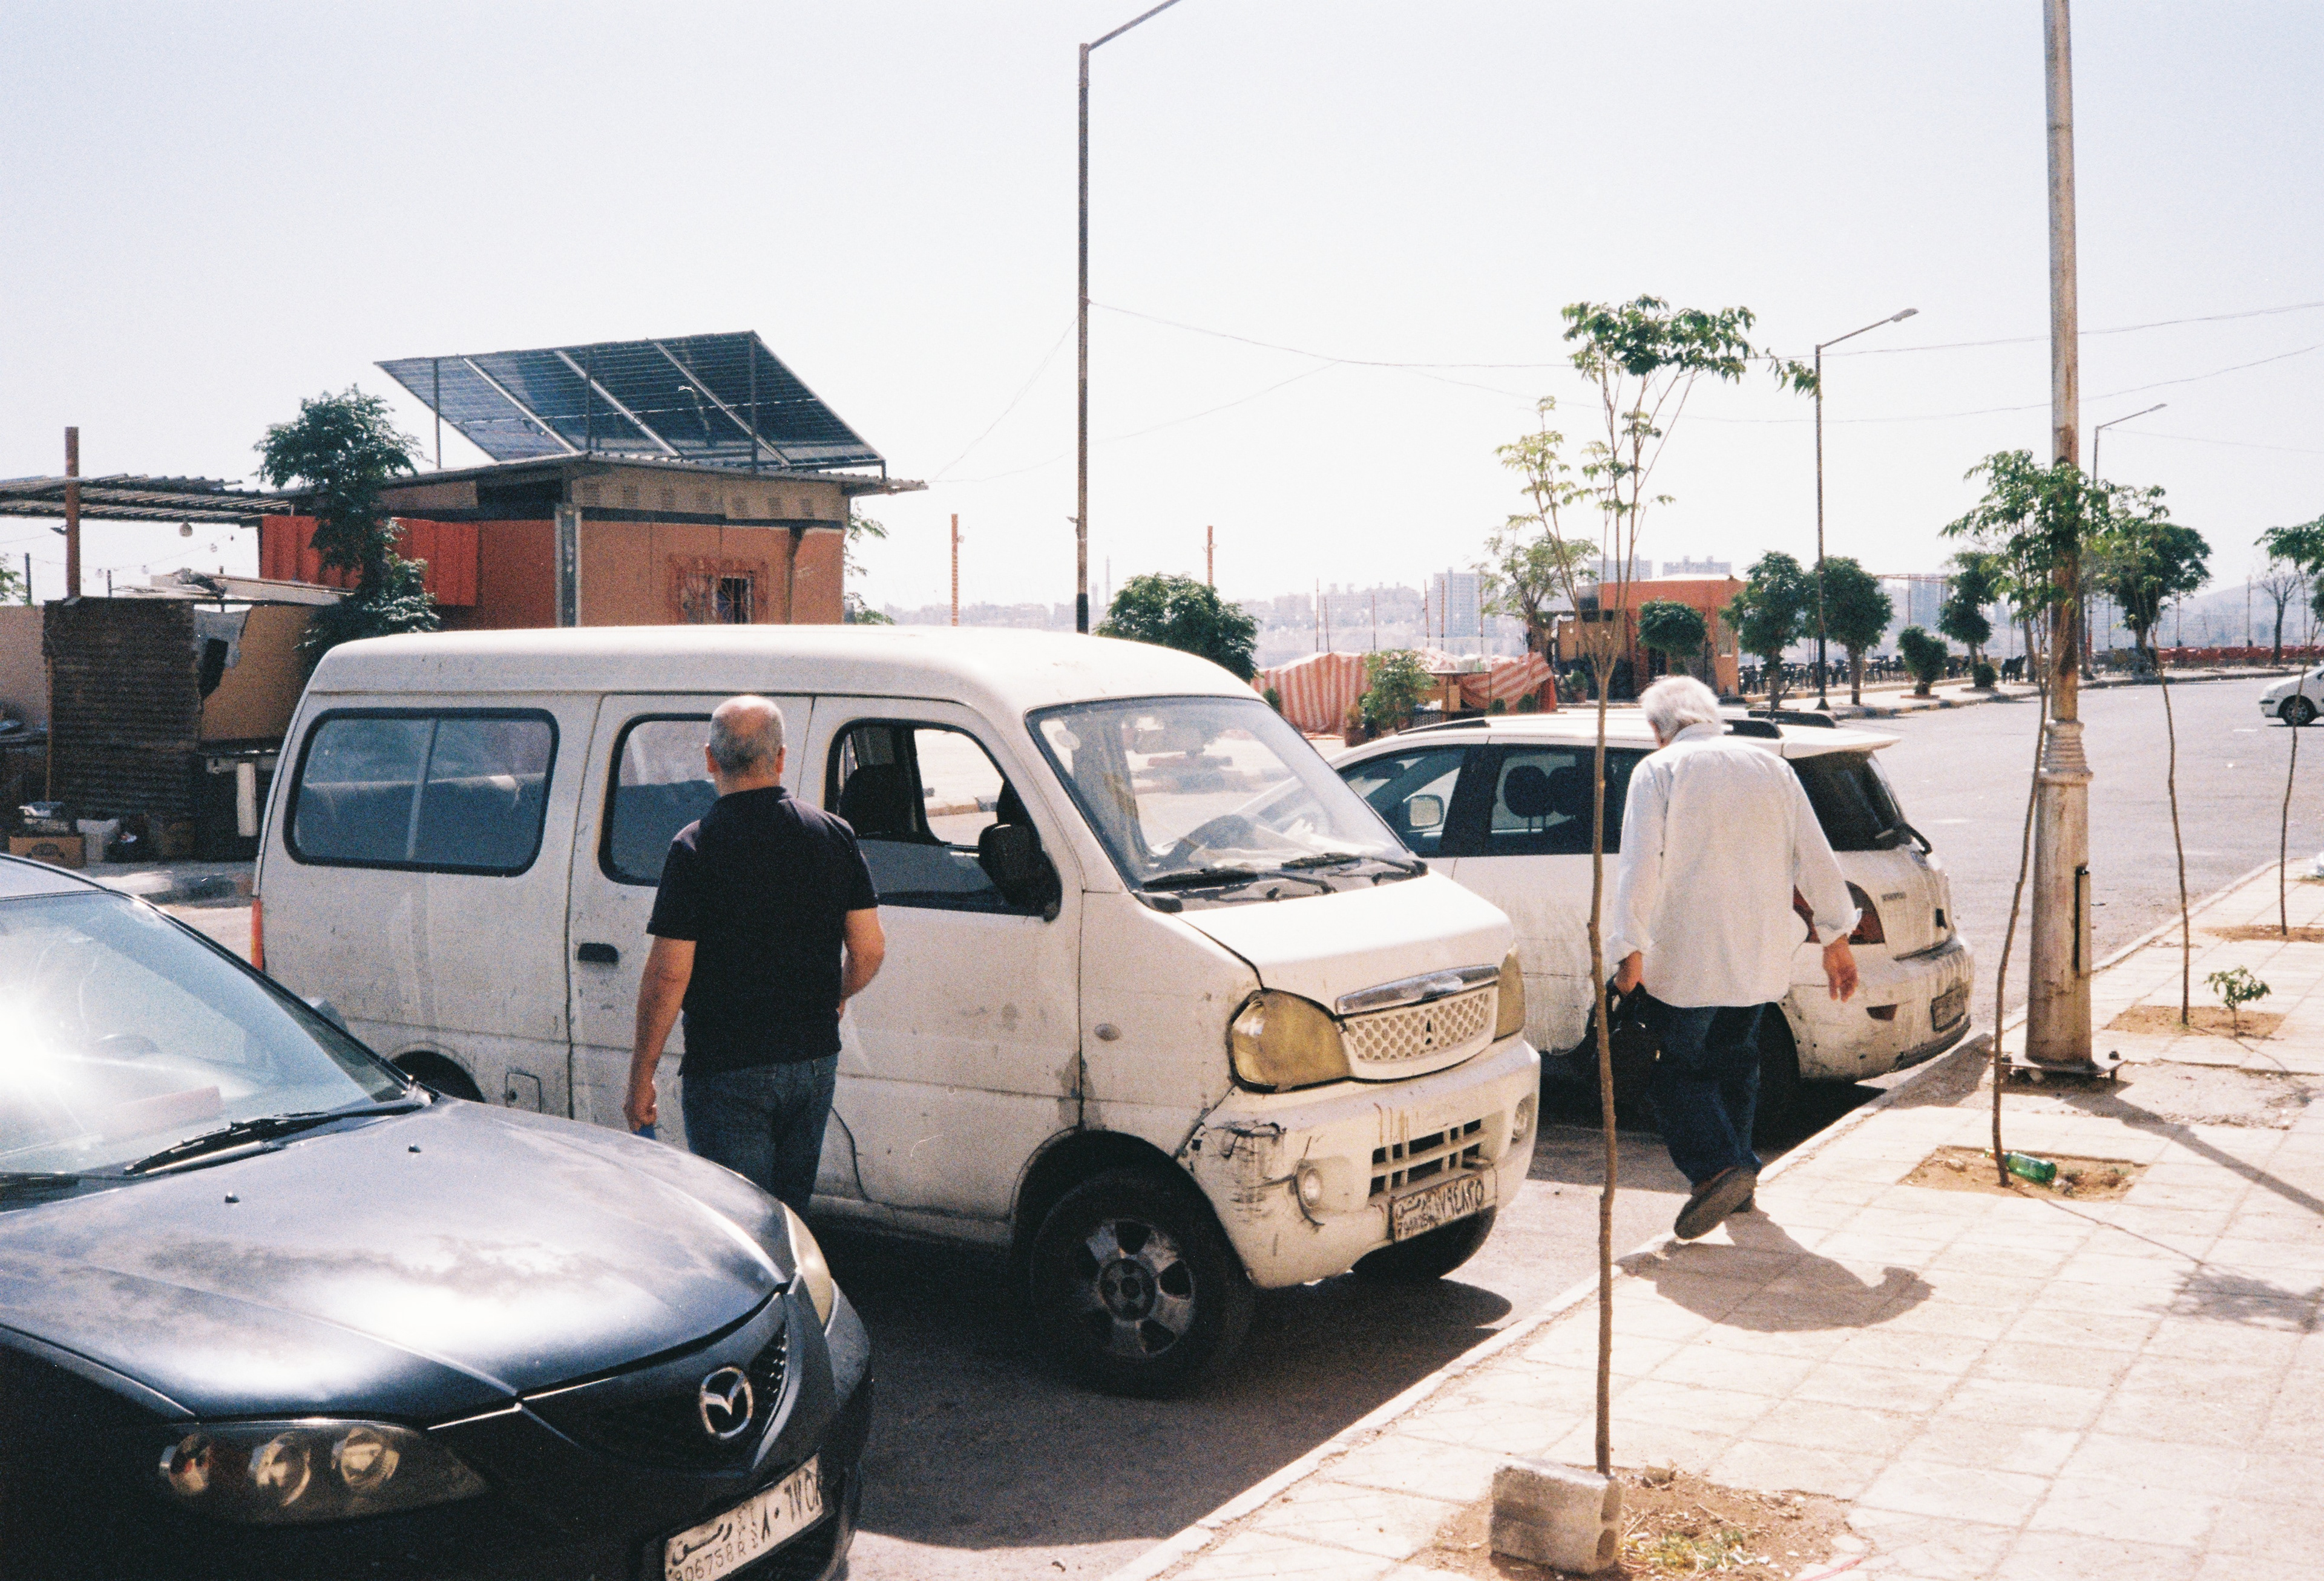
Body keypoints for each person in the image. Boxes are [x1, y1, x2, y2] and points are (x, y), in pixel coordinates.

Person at [1609, 676, 1859, 1240]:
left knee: (1673, 1071)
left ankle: (1721, 1169)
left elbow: (1639, 866)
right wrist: (1836, 938)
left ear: (1658, 727)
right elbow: (1814, 855)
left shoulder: (1660, 770)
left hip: (1688, 953)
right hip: (1758, 954)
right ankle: (1738, 1177)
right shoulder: (1772, 767)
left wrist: (1629, 952)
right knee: (1737, 1061)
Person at [626, 696, 885, 1215]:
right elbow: (870, 949)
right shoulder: (834, 835)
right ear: (781, 758)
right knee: (789, 1221)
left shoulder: (694, 848)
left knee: (742, 1224)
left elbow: (668, 976)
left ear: (709, 759)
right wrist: (834, 997)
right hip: (813, 1061)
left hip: (728, 1069)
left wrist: (641, 1076)